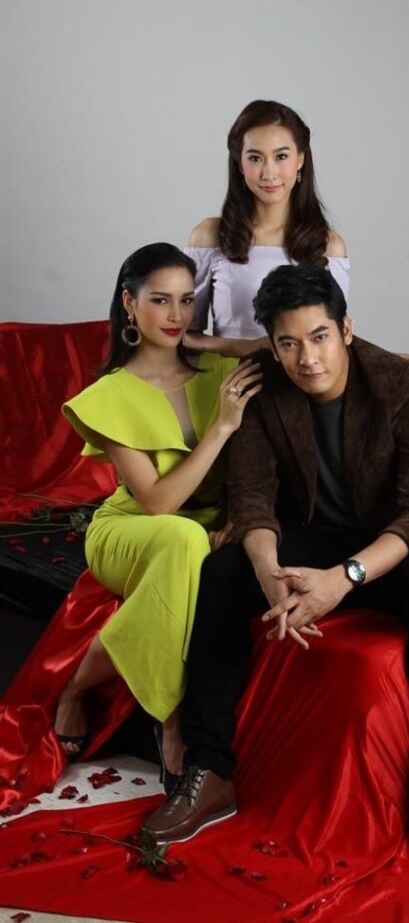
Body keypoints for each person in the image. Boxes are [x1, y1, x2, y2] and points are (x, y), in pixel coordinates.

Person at [141, 263, 409, 873]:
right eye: (289, 343)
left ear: (345, 329)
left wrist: (344, 579)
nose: (308, 358)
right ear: (272, 345)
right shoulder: (263, 384)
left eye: (320, 337)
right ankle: (210, 771)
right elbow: (251, 498)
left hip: (384, 545)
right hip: (303, 538)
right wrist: (269, 574)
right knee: (222, 573)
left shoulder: (402, 381)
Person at [54, 243, 262, 785]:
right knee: (181, 538)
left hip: (205, 524)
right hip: (131, 529)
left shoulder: (219, 369)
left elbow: (284, 344)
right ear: (129, 303)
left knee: (189, 541)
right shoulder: (110, 394)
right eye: (161, 300)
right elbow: (159, 503)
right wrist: (222, 427)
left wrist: (218, 342)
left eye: (187, 301)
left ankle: (78, 682)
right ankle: (171, 718)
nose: (177, 315)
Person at [183, 99, 349, 348]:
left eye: (281, 156)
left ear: (300, 159)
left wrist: (392, 362)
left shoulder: (329, 245)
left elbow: (337, 339)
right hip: (227, 371)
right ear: (239, 163)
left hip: (301, 372)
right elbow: (183, 336)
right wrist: (248, 347)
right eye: (255, 158)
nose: (269, 173)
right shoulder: (210, 236)